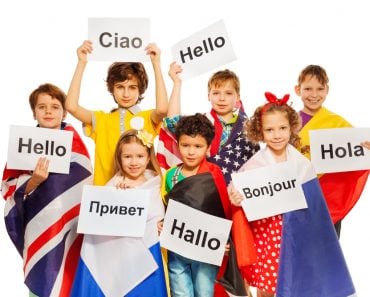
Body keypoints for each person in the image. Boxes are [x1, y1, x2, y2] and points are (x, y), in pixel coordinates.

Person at [229, 92, 356, 297]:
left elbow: (316, 204)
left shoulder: (303, 164)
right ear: (260, 132)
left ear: (291, 127)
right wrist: (235, 198)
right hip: (267, 238)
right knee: (268, 287)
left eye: (282, 128)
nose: (277, 135)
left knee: (299, 284)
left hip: (298, 236)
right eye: (270, 130)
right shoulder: (253, 165)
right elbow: (237, 194)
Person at [1, 83, 93, 297]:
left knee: (70, 277)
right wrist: (34, 181)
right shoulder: (23, 144)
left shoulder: (75, 143)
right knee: (43, 275)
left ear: (63, 112)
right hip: (38, 224)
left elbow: (85, 181)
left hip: (70, 223)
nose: (48, 111)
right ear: (34, 112)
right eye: (42, 107)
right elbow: (9, 187)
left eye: (54, 106)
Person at [71, 129, 168, 297]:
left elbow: (161, 213)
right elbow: (98, 223)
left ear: (148, 157)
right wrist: (123, 197)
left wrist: (162, 224)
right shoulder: (115, 184)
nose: (134, 162)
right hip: (119, 258)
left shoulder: (157, 182)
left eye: (139, 156)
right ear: (119, 158)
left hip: (148, 252)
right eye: (127, 156)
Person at [66, 40, 168, 186]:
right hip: (105, 197)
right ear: (112, 88)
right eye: (120, 87)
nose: (126, 94)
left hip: (139, 195)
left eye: (132, 87)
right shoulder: (102, 119)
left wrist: (156, 64)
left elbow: (163, 109)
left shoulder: (147, 117)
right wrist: (81, 63)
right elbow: (71, 106)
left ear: (140, 90)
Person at [161, 113, 236, 297]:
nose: (191, 152)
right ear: (177, 144)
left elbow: (223, 209)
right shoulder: (171, 175)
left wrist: (225, 239)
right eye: (185, 145)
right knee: (180, 292)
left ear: (208, 147)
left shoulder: (214, 173)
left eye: (198, 146)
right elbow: (163, 206)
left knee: (205, 292)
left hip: (206, 250)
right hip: (177, 249)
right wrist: (162, 223)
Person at [294, 64, 369, 237]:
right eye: (308, 89)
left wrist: (367, 148)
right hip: (295, 196)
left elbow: (359, 153)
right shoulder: (287, 121)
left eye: (320, 89)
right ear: (298, 90)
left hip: (327, 199)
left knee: (327, 249)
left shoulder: (337, 123)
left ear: (327, 90)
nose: (314, 95)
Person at [157, 63, 259, 185]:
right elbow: (173, 123)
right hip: (204, 185)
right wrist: (177, 83)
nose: (221, 98)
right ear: (208, 96)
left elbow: (256, 161)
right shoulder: (202, 121)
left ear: (237, 97)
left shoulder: (247, 128)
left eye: (228, 93)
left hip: (236, 190)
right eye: (216, 93)